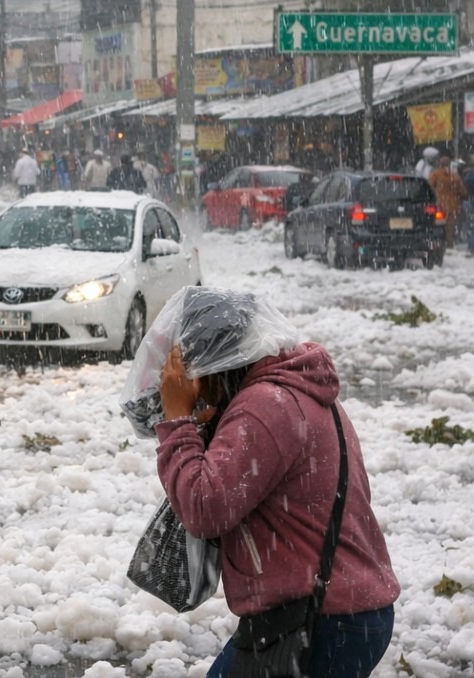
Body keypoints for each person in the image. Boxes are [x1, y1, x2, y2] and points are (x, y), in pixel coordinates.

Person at [122, 286, 399, 678]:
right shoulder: (290, 390)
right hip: (333, 610)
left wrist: (178, 421)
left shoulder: (265, 405)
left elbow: (205, 509)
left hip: (321, 619)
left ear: (215, 365)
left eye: (192, 376)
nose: (192, 391)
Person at [428, 154, 467, 250]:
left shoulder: (435, 174)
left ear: (440, 164)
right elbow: (462, 191)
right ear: (449, 164)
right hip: (453, 205)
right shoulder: (455, 176)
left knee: (438, 226)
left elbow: (429, 187)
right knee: (451, 227)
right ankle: (449, 244)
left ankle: (439, 244)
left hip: (439, 204)